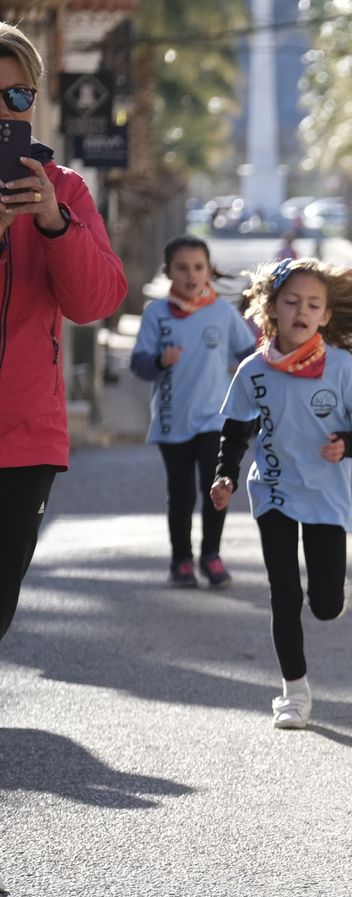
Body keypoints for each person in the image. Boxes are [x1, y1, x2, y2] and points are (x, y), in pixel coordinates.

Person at [210, 257, 352, 730]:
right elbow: (235, 429)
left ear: (325, 316)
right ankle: (293, 693)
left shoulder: (339, 368)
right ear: (271, 308)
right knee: (283, 593)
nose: (301, 311)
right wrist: (226, 475)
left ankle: (332, 590)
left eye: (312, 304)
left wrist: (349, 443)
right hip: (273, 488)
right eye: (291, 301)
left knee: (324, 605)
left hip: (325, 493)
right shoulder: (254, 370)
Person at [0, 22, 128, 644]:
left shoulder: (65, 190)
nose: (3, 109)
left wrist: (53, 223)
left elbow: (96, 300)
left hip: (24, 439)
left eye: (17, 97)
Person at [129, 236, 257, 588]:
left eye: (198, 267)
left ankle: (211, 556)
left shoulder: (224, 313)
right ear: (168, 271)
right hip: (173, 421)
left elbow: (251, 358)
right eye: (182, 268)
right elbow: (139, 364)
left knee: (216, 487)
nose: (191, 275)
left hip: (215, 420)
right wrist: (159, 360)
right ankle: (181, 560)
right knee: (181, 494)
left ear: (209, 271)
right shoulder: (156, 314)